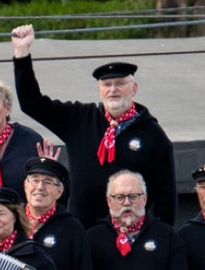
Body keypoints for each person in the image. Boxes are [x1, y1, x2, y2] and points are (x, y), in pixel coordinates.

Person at [10, 25, 176, 227]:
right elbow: (32, 104)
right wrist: (22, 54)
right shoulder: (79, 118)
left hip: (130, 233)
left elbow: (165, 197)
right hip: (83, 230)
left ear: (134, 88)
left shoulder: (152, 134)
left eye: (120, 83)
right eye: (107, 85)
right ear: (100, 90)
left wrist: (159, 240)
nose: (113, 90)